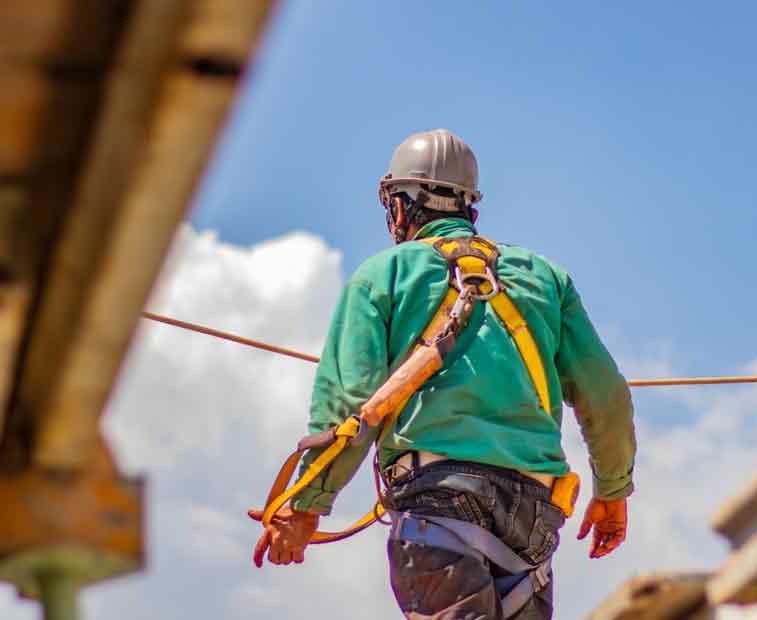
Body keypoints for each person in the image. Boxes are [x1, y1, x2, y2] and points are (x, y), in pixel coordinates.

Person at [248, 129, 636, 620]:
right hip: (534, 514)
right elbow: (607, 396)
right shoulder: (544, 278)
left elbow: (349, 406)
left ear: (401, 206)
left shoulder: (383, 275)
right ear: (469, 208)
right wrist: (613, 492)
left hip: (440, 499)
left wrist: (304, 506)